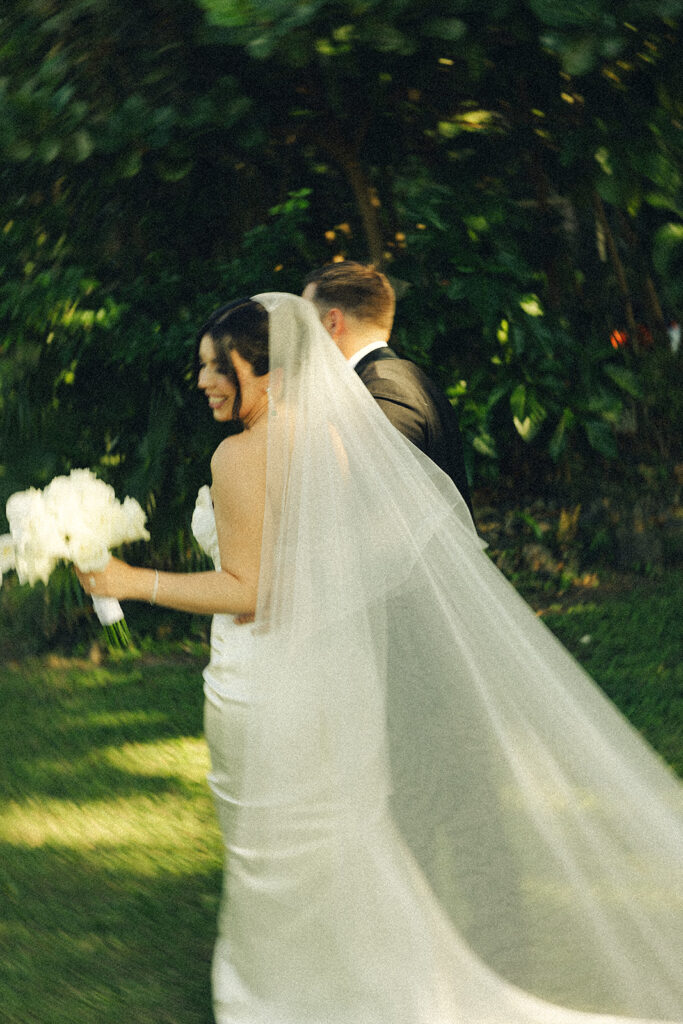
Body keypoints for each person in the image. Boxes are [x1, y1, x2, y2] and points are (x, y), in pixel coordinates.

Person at [78, 293, 682, 1024]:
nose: (203, 380)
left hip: (268, 680)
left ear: (265, 371)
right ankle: (379, 988)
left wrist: (130, 582)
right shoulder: (335, 437)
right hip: (337, 674)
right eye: (202, 366)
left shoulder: (238, 454)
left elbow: (251, 591)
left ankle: (297, 998)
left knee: (281, 852)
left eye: (217, 365)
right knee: (344, 838)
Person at [303, 261, 474, 518]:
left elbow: (384, 509)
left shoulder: (383, 391)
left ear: (333, 323)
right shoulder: (400, 377)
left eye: (304, 321)